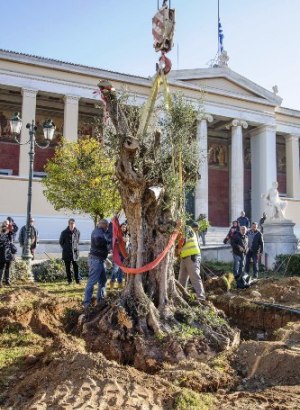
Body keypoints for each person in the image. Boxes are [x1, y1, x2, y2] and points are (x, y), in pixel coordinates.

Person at [84, 219, 110, 308]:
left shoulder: (101, 232)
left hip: (100, 260)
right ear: (103, 225)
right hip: (96, 260)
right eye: (107, 226)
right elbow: (99, 242)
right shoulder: (98, 232)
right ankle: (86, 304)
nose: (107, 228)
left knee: (103, 281)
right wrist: (110, 241)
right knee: (92, 282)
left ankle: (101, 301)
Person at [178, 223, 205, 301]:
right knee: (182, 279)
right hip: (185, 257)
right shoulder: (188, 229)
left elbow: (182, 241)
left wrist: (177, 250)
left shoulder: (185, 229)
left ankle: (201, 297)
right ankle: (182, 296)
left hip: (192, 256)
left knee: (195, 277)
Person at [59, 218, 80, 284]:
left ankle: (77, 280)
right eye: (71, 223)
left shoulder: (77, 232)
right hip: (67, 252)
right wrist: (66, 248)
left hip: (75, 253)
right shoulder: (64, 232)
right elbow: (61, 242)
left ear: (75, 224)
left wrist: (75, 248)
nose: (72, 225)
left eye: (73, 223)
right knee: (67, 267)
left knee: (76, 267)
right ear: (68, 224)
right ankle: (69, 280)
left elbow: (77, 241)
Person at [109, 222, 129, 289]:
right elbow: (113, 242)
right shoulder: (117, 234)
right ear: (120, 227)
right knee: (115, 269)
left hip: (124, 254)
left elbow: (128, 244)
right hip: (117, 254)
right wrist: (120, 240)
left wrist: (127, 241)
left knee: (121, 269)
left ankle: (120, 283)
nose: (124, 228)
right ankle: (112, 282)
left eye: (125, 227)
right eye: (122, 227)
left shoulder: (127, 235)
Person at [0, 220, 15, 286]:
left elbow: (12, 236)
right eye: (6, 224)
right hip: (2, 252)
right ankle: (0, 281)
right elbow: (2, 239)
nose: (7, 225)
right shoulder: (1, 231)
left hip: (9, 252)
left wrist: (11, 227)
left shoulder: (9, 232)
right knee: (2, 267)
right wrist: (5, 231)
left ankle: (7, 280)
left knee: (8, 266)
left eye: (8, 224)